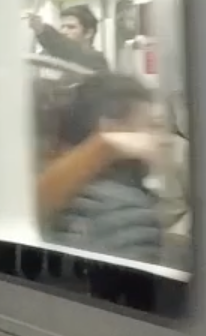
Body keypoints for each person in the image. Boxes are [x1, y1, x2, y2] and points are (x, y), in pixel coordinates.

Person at [33, 71, 172, 266]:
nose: (162, 139)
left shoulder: (54, 190)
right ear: (111, 129)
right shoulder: (128, 214)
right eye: (152, 126)